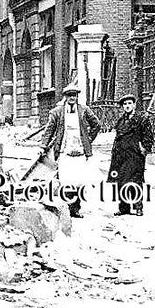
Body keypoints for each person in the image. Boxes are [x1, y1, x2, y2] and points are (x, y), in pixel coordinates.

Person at [36, 84, 101, 218]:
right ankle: (65, 207)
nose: (72, 98)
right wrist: (43, 145)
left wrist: (88, 139)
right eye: (69, 95)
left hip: (80, 151)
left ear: (77, 97)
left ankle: (75, 209)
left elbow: (96, 124)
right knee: (66, 180)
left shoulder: (84, 110)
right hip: (64, 151)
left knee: (78, 181)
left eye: (74, 95)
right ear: (65, 97)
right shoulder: (57, 112)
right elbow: (49, 130)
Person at [107, 94, 154, 216]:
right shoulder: (121, 121)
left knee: (135, 181)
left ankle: (138, 207)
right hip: (121, 155)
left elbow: (148, 136)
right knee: (121, 181)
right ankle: (124, 208)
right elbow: (117, 138)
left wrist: (144, 149)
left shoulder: (142, 119)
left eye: (129, 103)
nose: (127, 106)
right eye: (125, 104)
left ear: (134, 105)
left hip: (135, 155)